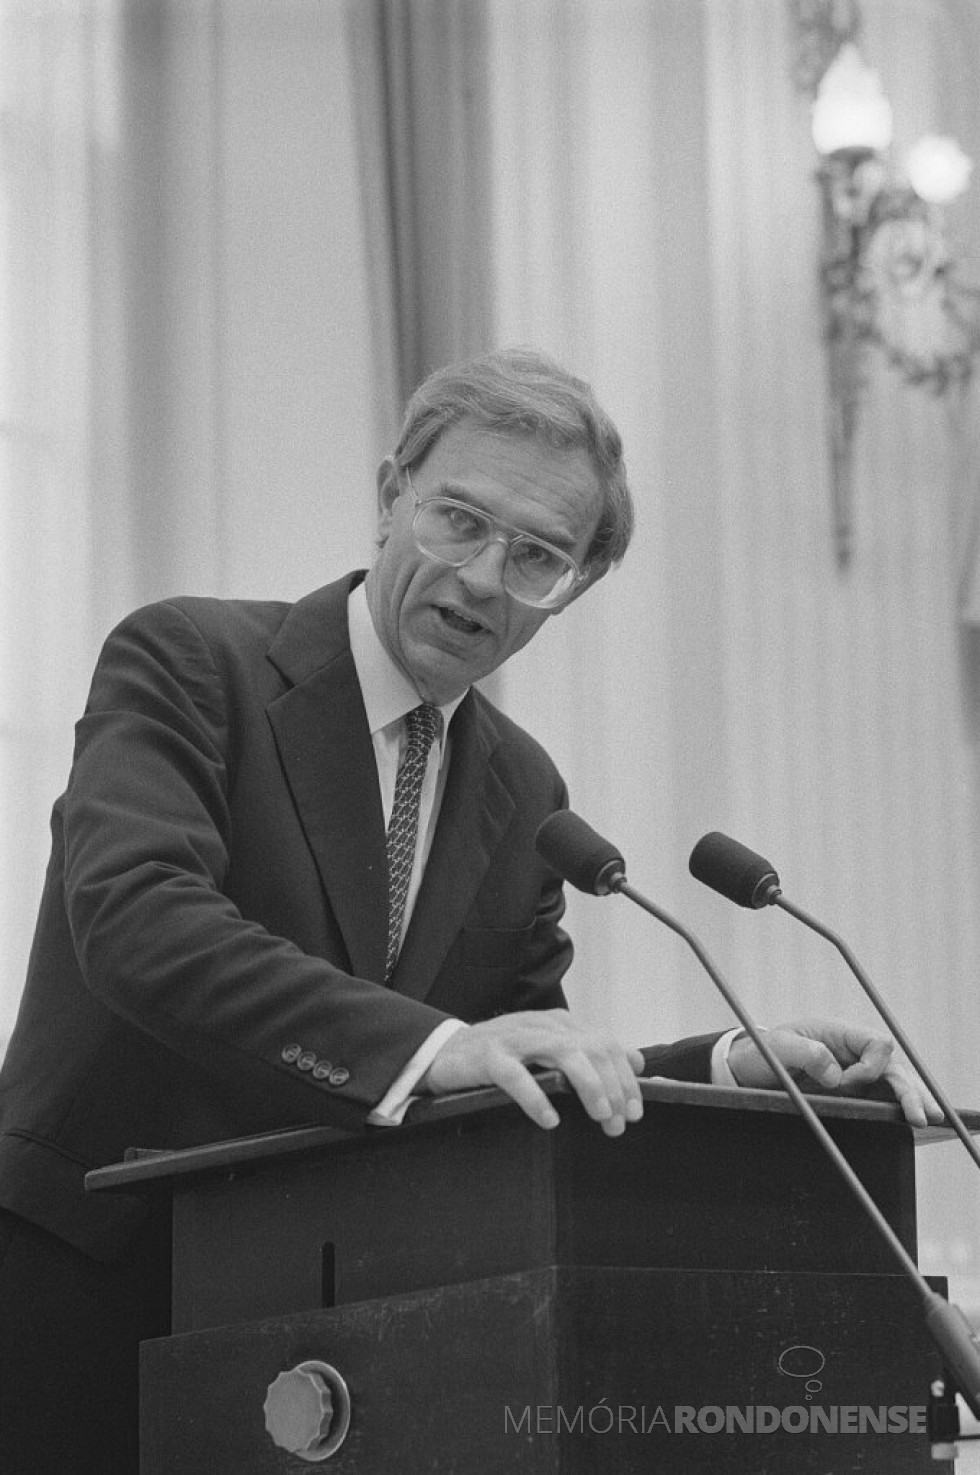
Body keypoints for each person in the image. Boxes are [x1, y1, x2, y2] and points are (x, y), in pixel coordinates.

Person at [0, 347, 936, 1473]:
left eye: (537, 555)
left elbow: (517, 1067)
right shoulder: (194, 659)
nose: (486, 575)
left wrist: (733, 1063)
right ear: (390, 494)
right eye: (458, 519)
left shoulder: (521, 789)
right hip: (85, 1288)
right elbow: (138, 920)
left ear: (573, 586)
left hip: (328, 1339)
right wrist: (433, 1045)